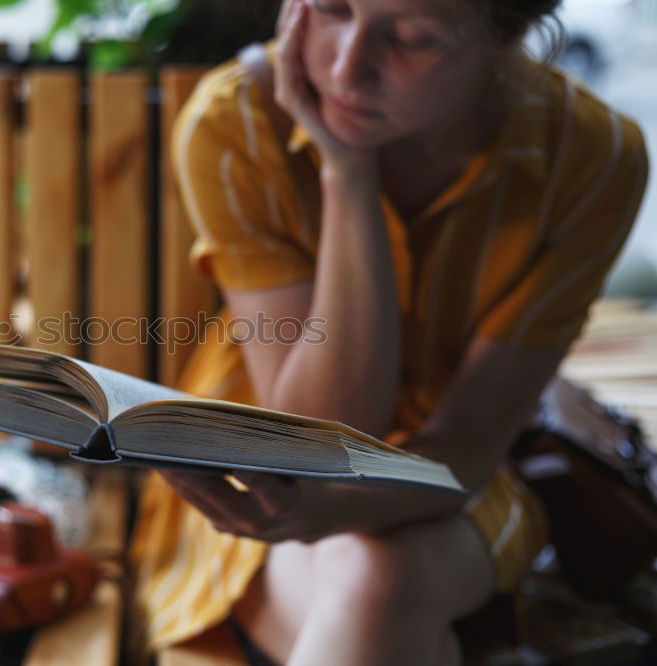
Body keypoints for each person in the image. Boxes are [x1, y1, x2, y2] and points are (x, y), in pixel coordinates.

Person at [128, 0, 650, 664]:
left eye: (409, 38)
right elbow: (309, 440)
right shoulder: (238, 124)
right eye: (330, 8)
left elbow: (469, 444)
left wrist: (344, 171)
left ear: (509, 34)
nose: (346, 69)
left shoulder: (592, 158)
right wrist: (346, 172)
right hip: (257, 476)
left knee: (377, 580)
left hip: (462, 478)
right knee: (380, 586)